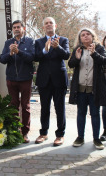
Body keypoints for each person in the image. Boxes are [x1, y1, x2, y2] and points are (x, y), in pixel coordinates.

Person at [68, 28, 106, 150]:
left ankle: (96, 139)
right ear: (80, 38)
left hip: (94, 88)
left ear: (93, 36)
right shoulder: (78, 49)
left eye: (88, 34)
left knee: (95, 113)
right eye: (83, 35)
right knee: (81, 113)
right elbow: (71, 64)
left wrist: (94, 53)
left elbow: (105, 60)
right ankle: (80, 137)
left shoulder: (99, 48)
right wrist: (76, 57)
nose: (85, 36)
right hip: (80, 88)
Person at [34, 17, 70, 147]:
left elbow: (66, 55)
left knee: (60, 108)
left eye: (51, 23)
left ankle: (60, 135)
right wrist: (45, 50)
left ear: (56, 25)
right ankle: (43, 133)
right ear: (43, 27)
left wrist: (58, 47)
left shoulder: (63, 40)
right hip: (44, 79)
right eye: (46, 23)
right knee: (45, 108)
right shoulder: (38, 42)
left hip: (59, 79)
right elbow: (36, 57)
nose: (49, 25)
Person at [0, 20, 35, 143]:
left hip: (25, 78)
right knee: (13, 105)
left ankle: (25, 132)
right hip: (11, 79)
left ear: (23, 28)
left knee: (25, 106)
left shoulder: (29, 41)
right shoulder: (8, 42)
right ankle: (14, 131)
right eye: (14, 27)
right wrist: (10, 53)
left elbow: (31, 58)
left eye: (18, 27)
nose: (16, 29)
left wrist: (19, 52)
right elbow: (2, 59)